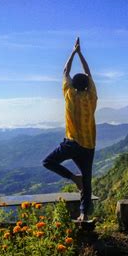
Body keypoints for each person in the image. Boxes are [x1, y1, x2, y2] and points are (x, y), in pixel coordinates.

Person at [42, 37, 98, 221]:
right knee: (87, 181)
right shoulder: (91, 97)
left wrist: (74, 52)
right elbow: (89, 73)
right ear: (87, 86)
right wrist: (82, 54)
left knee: (48, 162)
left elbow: (65, 70)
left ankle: (74, 178)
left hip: (72, 143)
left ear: (73, 85)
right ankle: (83, 214)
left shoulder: (70, 96)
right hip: (89, 145)